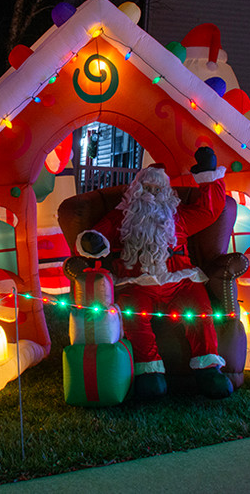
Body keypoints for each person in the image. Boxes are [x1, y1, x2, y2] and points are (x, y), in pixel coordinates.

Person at [76, 147, 232, 399]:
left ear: (165, 193)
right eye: (146, 189)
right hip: (136, 283)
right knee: (134, 316)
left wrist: (208, 175)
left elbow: (208, 211)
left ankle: (208, 369)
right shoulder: (122, 217)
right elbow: (101, 232)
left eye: (157, 190)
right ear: (136, 191)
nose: (151, 194)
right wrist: (93, 241)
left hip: (179, 280)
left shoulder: (178, 218)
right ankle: (149, 373)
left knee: (199, 311)